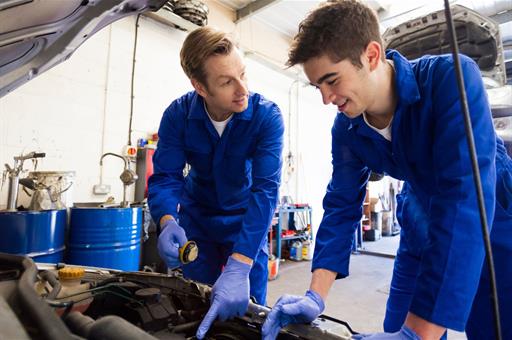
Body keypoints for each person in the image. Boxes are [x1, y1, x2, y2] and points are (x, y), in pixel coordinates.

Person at [262, 1, 512, 340]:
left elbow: (464, 197)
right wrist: (315, 295)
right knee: (396, 325)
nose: (326, 98)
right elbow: (341, 203)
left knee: (492, 326)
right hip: (419, 212)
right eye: (317, 86)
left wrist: (418, 333)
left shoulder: (450, 78)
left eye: (331, 80)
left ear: (372, 55)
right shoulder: (347, 128)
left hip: (492, 213)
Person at [147, 27, 284, 339]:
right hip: (198, 224)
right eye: (226, 81)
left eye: (243, 74)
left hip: (247, 224)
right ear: (200, 87)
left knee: (250, 315)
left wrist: (241, 263)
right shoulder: (177, 116)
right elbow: (166, 176)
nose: (242, 89)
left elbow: (266, 191)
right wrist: (167, 221)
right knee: (197, 305)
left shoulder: (266, 117)